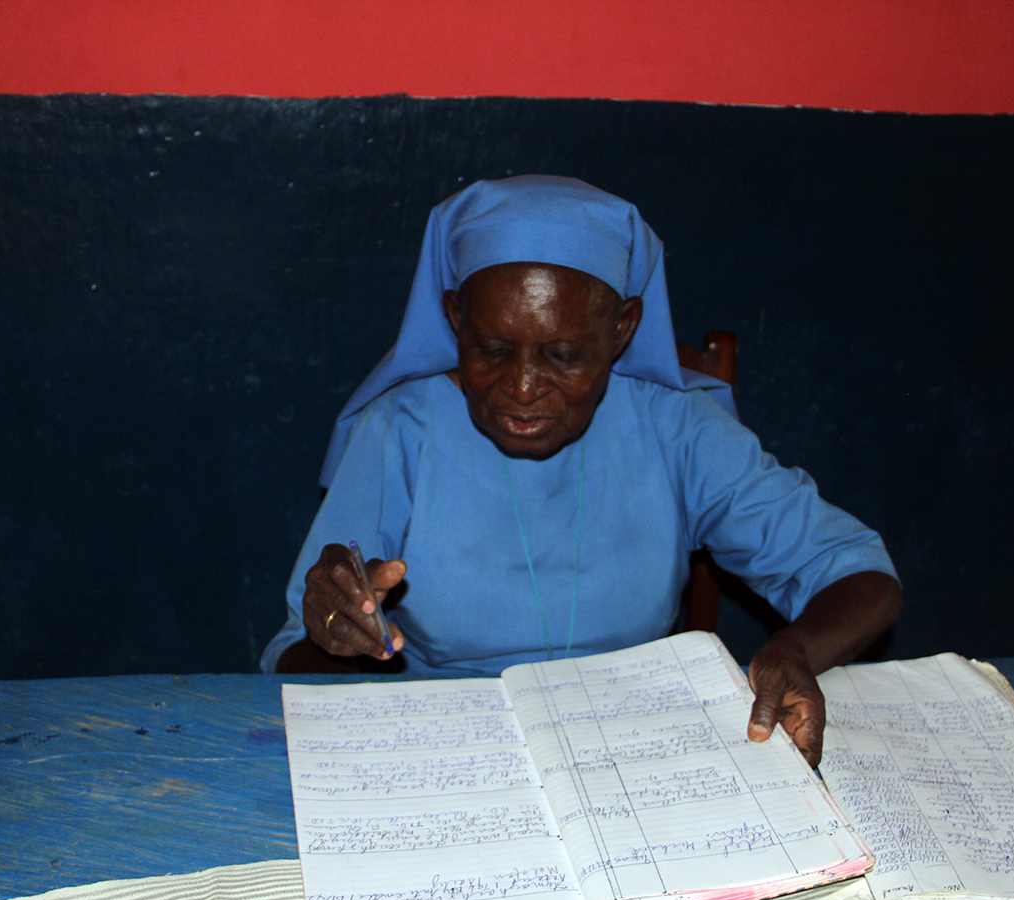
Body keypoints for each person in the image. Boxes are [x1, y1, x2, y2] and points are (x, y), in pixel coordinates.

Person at [262, 175, 901, 766]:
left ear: (623, 329)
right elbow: (294, 651)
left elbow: (860, 576)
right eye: (490, 349)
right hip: (443, 748)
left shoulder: (674, 427)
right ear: (455, 317)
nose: (522, 387)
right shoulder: (402, 431)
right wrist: (331, 636)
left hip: (640, 752)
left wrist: (794, 651)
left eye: (565, 355)